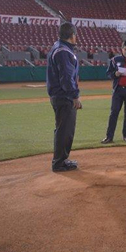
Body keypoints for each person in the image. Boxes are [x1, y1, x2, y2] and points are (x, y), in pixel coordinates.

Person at [46, 22, 82, 172]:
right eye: (75, 34)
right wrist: (75, 97)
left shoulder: (59, 47)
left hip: (59, 95)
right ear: (72, 35)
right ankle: (59, 162)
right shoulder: (63, 52)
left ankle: (62, 159)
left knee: (63, 129)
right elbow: (66, 78)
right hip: (64, 97)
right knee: (65, 130)